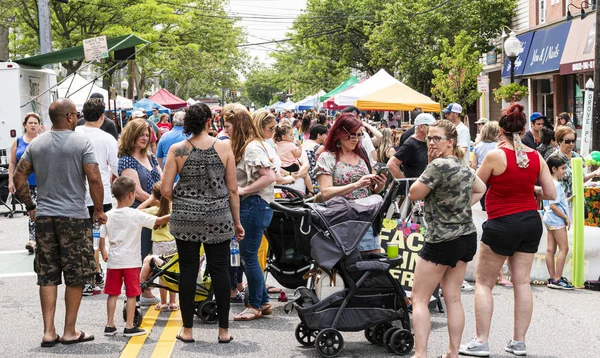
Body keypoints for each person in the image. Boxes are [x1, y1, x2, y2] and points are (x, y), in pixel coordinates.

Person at [459, 103, 556, 357]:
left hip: (502, 221)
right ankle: (519, 342)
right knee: (522, 282)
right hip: (529, 221)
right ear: (524, 130)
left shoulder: (494, 156)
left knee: (483, 282)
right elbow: (550, 193)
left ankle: (481, 341)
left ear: (501, 132)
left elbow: (476, 187)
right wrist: (528, 189)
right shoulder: (536, 157)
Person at [12, 97, 106, 347]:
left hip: (44, 218)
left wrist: (31, 206)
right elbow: (94, 178)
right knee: (75, 276)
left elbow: (19, 176)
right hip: (74, 218)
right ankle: (69, 331)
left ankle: (48, 332)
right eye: (75, 113)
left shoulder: (37, 144)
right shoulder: (81, 142)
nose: (77, 117)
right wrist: (98, 210)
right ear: (69, 117)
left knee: (47, 275)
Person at [161, 103, 244, 343]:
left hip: (185, 218)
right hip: (218, 217)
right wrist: (236, 223)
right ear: (209, 121)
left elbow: (166, 189)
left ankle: (187, 330)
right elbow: (232, 190)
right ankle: (223, 331)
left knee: (188, 270)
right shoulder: (224, 147)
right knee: (220, 270)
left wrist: (185, 198)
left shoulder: (178, 150)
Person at [407, 119, 486, 358]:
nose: (431, 142)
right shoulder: (463, 166)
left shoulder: (437, 165)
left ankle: (420, 354)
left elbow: (413, 194)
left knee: (419, 298)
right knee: (453, 298)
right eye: (429, 137)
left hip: (441, 239)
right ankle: (452, 353)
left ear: (450, 142)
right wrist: (461, 205)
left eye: (436, 138)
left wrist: (429, 164)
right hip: (465, 237)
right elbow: (481, 188)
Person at [223, 104, 276, 322]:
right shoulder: (248, 145)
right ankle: (262, 301)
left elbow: (269, 176)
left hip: (254, 205)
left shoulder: (251, 147)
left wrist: (243, 190)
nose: (225, 130)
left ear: (238, 125)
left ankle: (255, 305)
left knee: (249, 257)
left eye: (228, 126)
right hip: (254, 206)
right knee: (249, 256)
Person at [99, 176, 170, 337]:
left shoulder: (108, 215)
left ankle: (109, 325)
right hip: (131, 262)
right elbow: (158, 221)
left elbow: (102, 236)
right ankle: (129, 326)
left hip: (114, 262)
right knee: (131, 294)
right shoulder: (135, 215)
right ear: (131, 195)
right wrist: (175, 215)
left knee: (112, 293)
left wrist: (104, 252)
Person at [314, 112, 387, 253]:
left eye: (359, 135)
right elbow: (326, 192)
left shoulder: (363, 154)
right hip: (340, 221)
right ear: (339, 133)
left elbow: (371, 190)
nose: (356, 140)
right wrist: (356, 184)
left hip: (365, 219)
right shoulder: (327, 157)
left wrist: (380, 185)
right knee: (347, 269)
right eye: (352, 135)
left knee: (372, 266)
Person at [75, 97, 119, 296]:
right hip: (100, 195)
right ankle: (93, 275)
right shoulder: (107, 138)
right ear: (102, 117)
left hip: (75, 195)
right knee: (97, 237)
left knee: (81, 239)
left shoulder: (73, 134)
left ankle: (88, 276)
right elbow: (117, 168)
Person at [118, 118, 163, 282]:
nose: (145, 138)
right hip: (139, 212)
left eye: (147, 135)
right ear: (132, 135)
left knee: (153, 254)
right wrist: (159, 202)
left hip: (155, 212)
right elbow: (136, 192)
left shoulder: (150, 157)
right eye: (141, 135)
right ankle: (135, 292)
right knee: (141, 254)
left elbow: (162, 180)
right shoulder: (126, 160)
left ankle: (146, 290)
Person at [137, 181, 178, 309]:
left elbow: (136, 212)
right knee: (173, 272)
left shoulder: (154, 211)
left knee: (161, 274)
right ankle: (173, 302)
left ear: (155, 197)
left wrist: (149, 200)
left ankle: (164, 302)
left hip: (159, 246)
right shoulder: (173, 208)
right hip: (173, 244)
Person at [8, 112, 41, 254]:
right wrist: (11, 180)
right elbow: (12, 162)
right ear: (25, 125)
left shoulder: (42, 140)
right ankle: (33, 239)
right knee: (31, 210)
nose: (33, 125)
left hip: (41, 182)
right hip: (24, 184)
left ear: (40, 126)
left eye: (35, 123)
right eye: (30, 123)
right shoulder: (18, 141)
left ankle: (36, 239)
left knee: (39, 210)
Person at [542, 155, 573, 290]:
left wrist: (568, 200)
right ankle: (557, 278)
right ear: (554, 169)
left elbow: (550, 204)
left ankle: (553, 277)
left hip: (549, 218)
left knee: (550, 249)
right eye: (562, 168)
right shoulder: (556, 184)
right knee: (563, 248)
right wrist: (566, 217)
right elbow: (554, 206)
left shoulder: (547, 183)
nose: (564, 171)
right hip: (556, 219)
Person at [548, 126, 600, 199]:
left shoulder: (577, 156)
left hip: (578, 199)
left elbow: (581, 179)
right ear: (559, 141)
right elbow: (548, 183)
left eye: (573, 141)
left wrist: (595, 173)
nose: (571, 144)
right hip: (561, 201)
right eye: (567, 141)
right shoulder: (554, 159)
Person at [387, 113, 433, 180]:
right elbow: (391, 164)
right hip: (416, 187)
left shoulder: (427, 141)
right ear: (421, 127)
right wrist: (405, 183)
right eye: (430, 126)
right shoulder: (411, 144)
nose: (432, 129)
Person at [274, 124, 314, 194]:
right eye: (291, 134)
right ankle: (311, 191)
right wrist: (300, 147)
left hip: (282, 168)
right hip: (292, 166)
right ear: (284, 137)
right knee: (306, 174)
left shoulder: (277, 145)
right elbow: (298, 155)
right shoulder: (291, 145)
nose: (293, 136)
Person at [471, 121, 500, 212]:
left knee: (484, 205)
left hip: (481, 178)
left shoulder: (477, 146)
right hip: (494, 177)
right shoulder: (498, 146)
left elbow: (474, 165)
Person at [302, 124, 328, 190]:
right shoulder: (319, 148)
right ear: (319, 135)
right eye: (325, 134)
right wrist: (326, 142)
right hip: (313, 182)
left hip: (302, 179)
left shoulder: (303, 144)